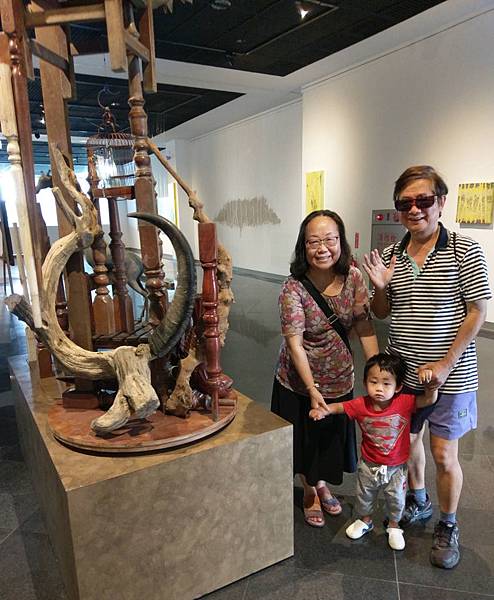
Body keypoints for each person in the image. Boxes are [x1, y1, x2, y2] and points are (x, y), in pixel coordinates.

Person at [363, 166, 491, 568]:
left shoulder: (465, 249)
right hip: (402, 375)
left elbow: (477, 312)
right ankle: (418, 500)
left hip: (452, 375)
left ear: (441, 202)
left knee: (444, 453)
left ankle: (448, 524)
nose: (414, 210)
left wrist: (446, 363)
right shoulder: (391, 254)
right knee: (408, 443)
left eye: (424, 200)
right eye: (405, 203)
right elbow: (381, 312)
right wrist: (380, 287)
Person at [271, 209, 379, 528]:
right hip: (298, 381)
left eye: (330, 240)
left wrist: (376, 373)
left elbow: (364, 325)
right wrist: (311, 389)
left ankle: (321, 484)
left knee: (327, 439)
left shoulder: (354, 278)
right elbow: (295, 343)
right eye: (313, 241)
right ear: (303, 246)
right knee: (306, 439)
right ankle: (309, 489)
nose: (322, 248)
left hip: (339, 378)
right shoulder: (293, 288)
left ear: (341, 242)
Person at [310, 353, 438, 551]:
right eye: (374, 382)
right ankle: (365, 520)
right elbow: (341, 407)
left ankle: (394, 526)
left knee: (396, 498)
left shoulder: (404, 402)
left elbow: (428, 400)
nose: (379, 388)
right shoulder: (361, 405)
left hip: (396, 467)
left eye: (386, 383)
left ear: (398, 386)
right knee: (364, 496)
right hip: (368, 464)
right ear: (365, 382)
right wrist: (324, 410)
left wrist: (432, 387)